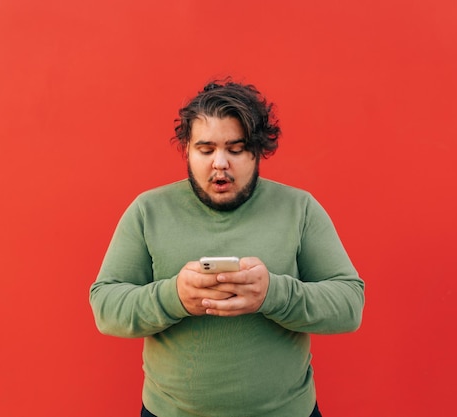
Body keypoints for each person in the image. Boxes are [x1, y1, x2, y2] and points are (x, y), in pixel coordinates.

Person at [89, 79, 365, 417]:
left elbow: (350, 305)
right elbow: (105, 306)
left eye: (236, 149)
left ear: (258, 150)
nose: (220, 163)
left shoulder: (299, 209)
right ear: (186, 150)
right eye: (206, 150)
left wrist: (272, 294)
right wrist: (175, 296)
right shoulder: (148, 211)